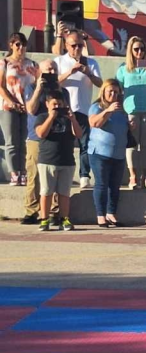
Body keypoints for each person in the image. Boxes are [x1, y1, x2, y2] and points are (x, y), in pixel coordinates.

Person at [54, 30, 101, 188]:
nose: (77, 49)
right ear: (66, 46)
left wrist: (88, 73)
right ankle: (62, 175)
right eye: (73, 45)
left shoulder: (91, 63)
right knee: (64, 144)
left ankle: (84, 176)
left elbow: (100, 84)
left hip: (84, 109)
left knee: (85, 144)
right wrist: (70, 72)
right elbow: (53, 83)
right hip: (63, 110)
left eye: (80, 45)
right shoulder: (59, 61)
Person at [116, 36, 146, 190]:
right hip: (131, 110)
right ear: (130, 50)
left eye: (142, 49)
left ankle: (145, 176)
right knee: (131, 144)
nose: (139, 52)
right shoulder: (123, 68)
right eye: (136, 49)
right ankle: (133, 176)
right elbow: (118, 89)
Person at [35, 89, 83, 231]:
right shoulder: (42, 117)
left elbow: (78, 134)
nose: (57, 107)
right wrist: (51, 117)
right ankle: (44, 219)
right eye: (54, 104)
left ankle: (64, 218)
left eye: (60, 104)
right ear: (47, 104)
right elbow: (41, 133)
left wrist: (73, 119)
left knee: (64, 193)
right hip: (47, 160)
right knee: (46, 192)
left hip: (66, 161)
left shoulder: (68, 118)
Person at [86, 79, 130, 228]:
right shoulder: (96, 107)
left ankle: (111, 213)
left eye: (116, 92)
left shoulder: (121, 110)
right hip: (99, 153)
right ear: (103, 92)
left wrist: (131, 125)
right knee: (101, 184)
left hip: (118, 153)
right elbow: (94, 123)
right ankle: (101, 215)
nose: (113, 94)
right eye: (110, 91)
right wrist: (108, 111)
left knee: (115, 186)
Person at [19, 60, 55, 225]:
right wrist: (39, 88)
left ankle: (54, 211)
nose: (52, 73)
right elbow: (31, 109)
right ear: (39, 71)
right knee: (33, 176)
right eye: (48, 70)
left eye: (54, 70)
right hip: (35, 138)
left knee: (54, 176)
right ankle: (31, 211)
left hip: (55, 138)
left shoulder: (61, 90)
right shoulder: (31, 88)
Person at [0, 32, 38, 186]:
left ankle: (23, 171)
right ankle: (14, 173)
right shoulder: (5, 63)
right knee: (11, 141)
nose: (21, 48)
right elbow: (1, 86)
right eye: (18, 44)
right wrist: (12, 102)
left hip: (27, 106)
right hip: (9, 106)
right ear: (11, 45)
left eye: (23, 44)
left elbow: (37, 83)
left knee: (25, 141)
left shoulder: (32, 64)